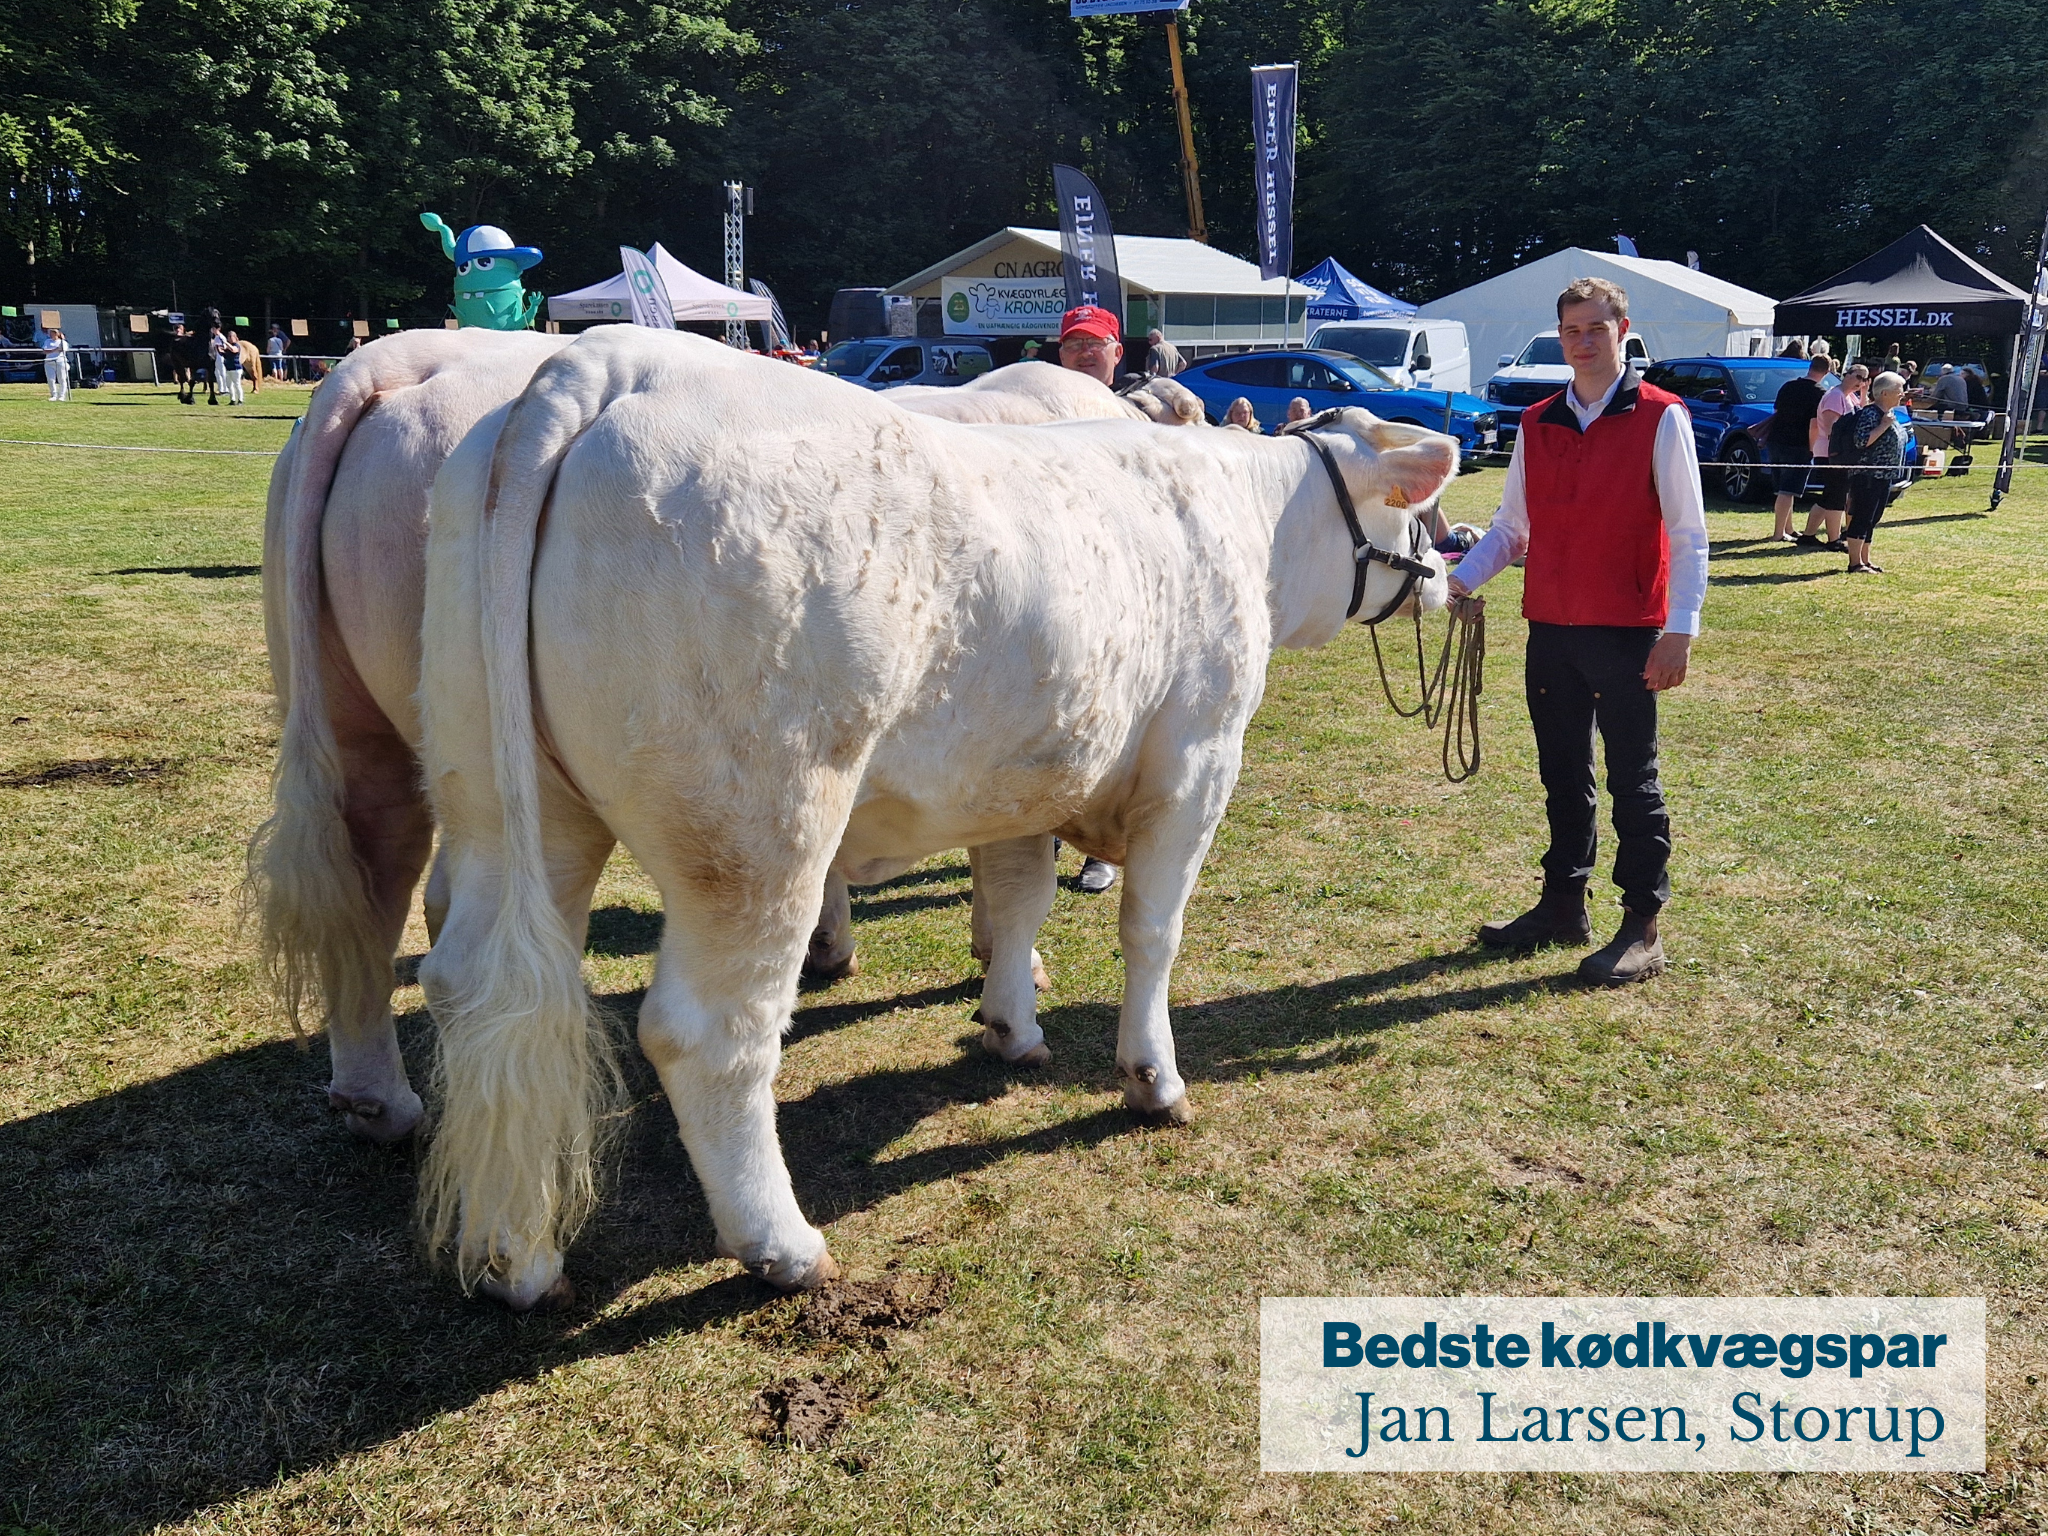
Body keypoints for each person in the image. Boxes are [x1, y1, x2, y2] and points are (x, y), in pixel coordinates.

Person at [1447, 276, 1707, 985]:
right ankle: (1563, 903)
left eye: (1596, 328)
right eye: (1571, 331)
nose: (1583, 342)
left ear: (1624, 330)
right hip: (1551, 630)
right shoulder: (1537, 421)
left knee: (1633, 780)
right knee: (1563, 773)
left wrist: (1679, 629)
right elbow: (1511, 528)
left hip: (1628, 631)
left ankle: (1643, 924)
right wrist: (1461, 579)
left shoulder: (1662, 416)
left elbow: (1688, 535)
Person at [1050, 302, 1131, 894]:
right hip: (1054, 584)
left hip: (1123, 587)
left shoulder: (1136, 415)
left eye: (1094, 343)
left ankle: (1102, 846)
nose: (1082, 353)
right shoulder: (1029, 412)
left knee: (1114, 717)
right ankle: (1046, 827)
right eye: (1073, 343)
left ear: (1116, 352)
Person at [1843, 371, 1905, 574]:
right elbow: (1861, 441)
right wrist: (1884, 425)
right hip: (1868, 476)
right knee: (1861, 517)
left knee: (1872, 518)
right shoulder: (1871, 414)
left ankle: (1865, 560)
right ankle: (1854, 563)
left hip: (1884, 477)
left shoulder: (1889, 414)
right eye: (1899, 390)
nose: (1902, 394)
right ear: (1884, 393)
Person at [1801, 362, 1866, 548]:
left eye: (1864, 379)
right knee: (1836, 497)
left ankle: (1808, 535)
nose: (1860, 382)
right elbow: (1831, 429)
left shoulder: (1849, 397)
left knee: (1829, 496)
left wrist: (1863, 392)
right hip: (1831, 452)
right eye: (1858, 377)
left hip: (1840, 453)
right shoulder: (1834, 396)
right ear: (1846, 374)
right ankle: (1834, 539)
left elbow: (1861, 412)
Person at [1765, 357, 1830, 541]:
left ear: (1810, 367)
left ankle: (1789, 528)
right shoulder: (1819, 393)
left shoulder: (1788, 386)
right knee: (1788, 490)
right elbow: (1814, 425)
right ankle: (1779, 533)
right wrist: (1811, 449)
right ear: (1826, 372)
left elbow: (1777, 412)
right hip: (1798, 444)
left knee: (1783, 489)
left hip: (1776, 440)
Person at [41, 326, 70, 402]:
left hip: (60, 361)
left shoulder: (62, 342)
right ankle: (54, 395)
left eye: (53, 333)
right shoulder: (47, 341)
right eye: (50, 333)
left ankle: (62, 395)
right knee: (51, 379)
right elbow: (45, 351)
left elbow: (62, 350)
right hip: (49, 361)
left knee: (62, 379)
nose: (51, 335)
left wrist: (54, 349)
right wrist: (55, 350)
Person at [220, 328, 246, 404]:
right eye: (229, 337)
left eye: (232, 337)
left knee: (237, 384)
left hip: (236, 369)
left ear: (235, 337)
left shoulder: (236, 346)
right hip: (228, 368)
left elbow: (233, 350)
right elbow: (224, 354)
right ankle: (233, 400)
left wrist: (226, 343)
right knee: (229, 385)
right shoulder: (228, 347)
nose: (230, 338)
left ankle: (240, 400)